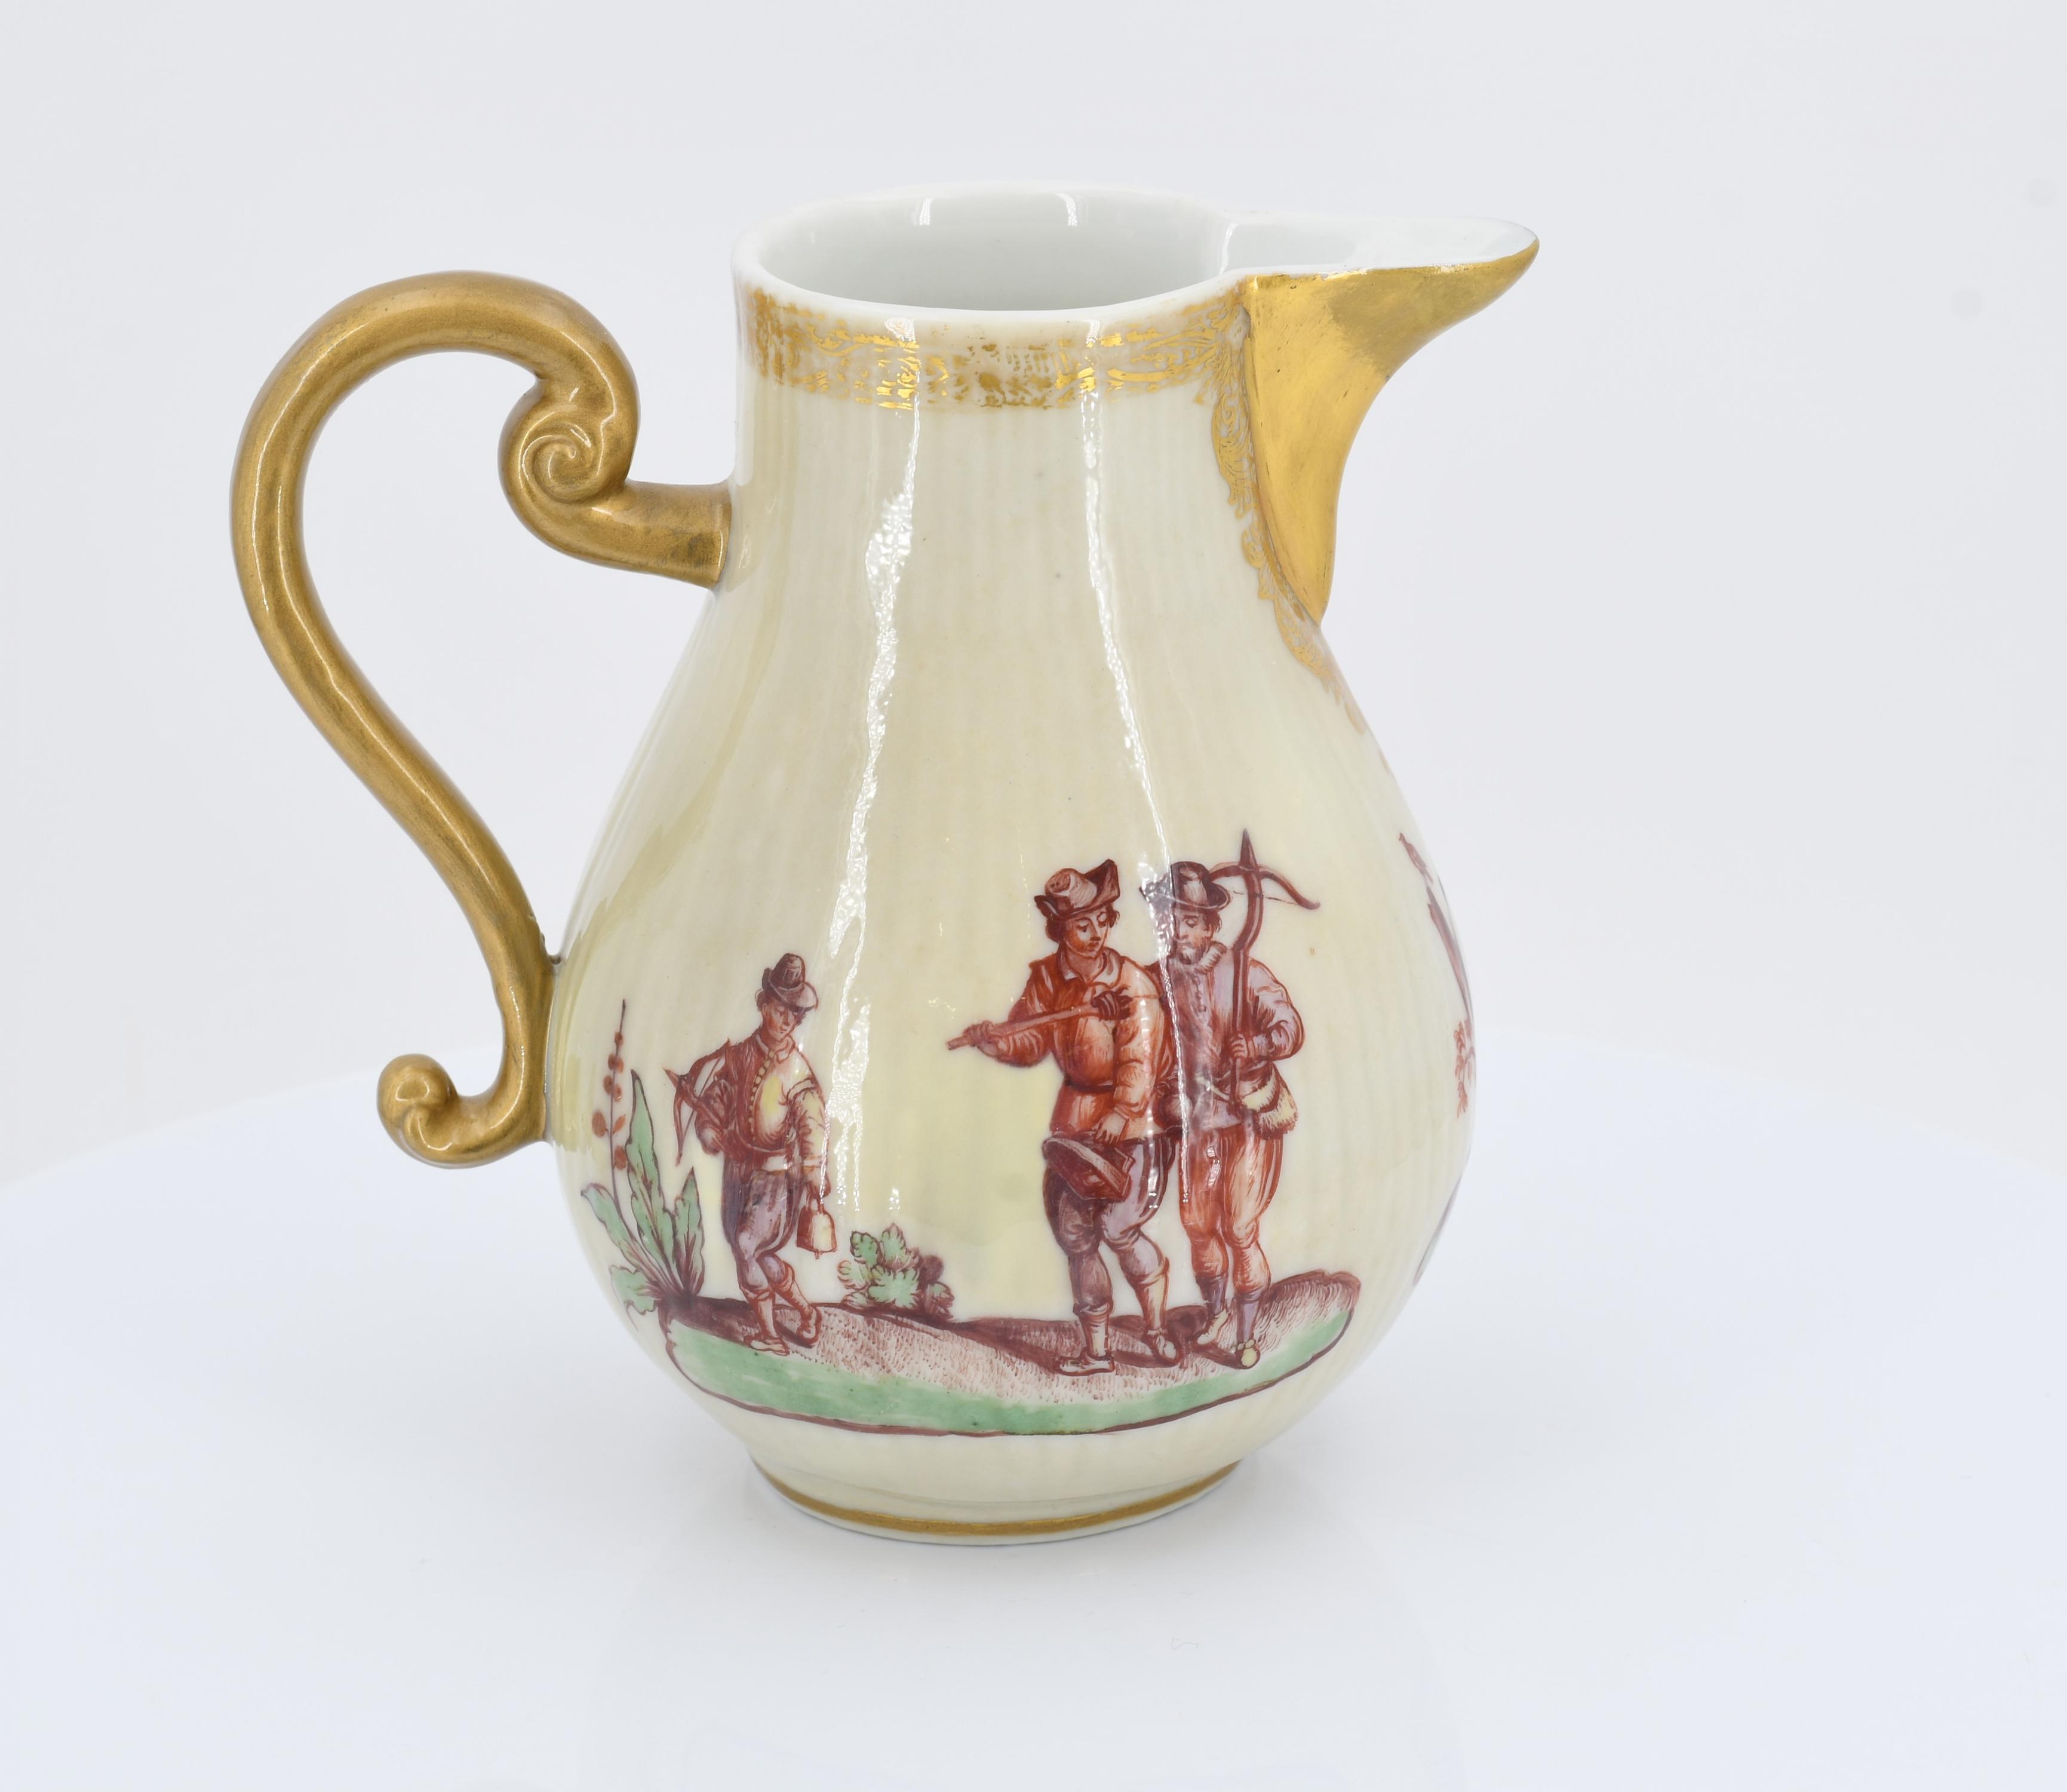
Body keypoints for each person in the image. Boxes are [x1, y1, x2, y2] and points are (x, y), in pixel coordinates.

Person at [951, 861, 1180, 1373]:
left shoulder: (1131, 984)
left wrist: (1122, 1111)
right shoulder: (1046, 979)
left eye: (1102, 920)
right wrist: (995, 1042)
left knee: (1119, 1228)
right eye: (1082, 924)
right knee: (1077, 1237)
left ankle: (1156, 1329)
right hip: (1075, 1123)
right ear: (1060, 929)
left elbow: (1141, 1057)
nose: (1095, 933)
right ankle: (1096, 1351)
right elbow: (1029, 1039)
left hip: (1134, 1127)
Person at [1144, 862, 1306, 1369]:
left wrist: (1256, 1044)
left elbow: (1289, 1027)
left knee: (1239, 1227)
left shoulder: (1245, 973)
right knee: (1197, 1225)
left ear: (1211, 926)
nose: (1180, 932)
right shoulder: (1155, 979)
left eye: (1191, 922)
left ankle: (1245, 1333)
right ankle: (1215, 1314)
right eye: (1171, 921)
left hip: (1247, 1119)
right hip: (1197, 1122)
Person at [669, 953, 829, 1356]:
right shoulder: (740, 1054)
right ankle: (807, 1312)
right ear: (763, 1006)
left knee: (746, 1245)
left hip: (776, 1178)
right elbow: (720, 1095)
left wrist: (814, 1172)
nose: (786, 1020)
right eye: (779, 1010)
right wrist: (710, 1130)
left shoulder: (797, 1071)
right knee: (755, 1252)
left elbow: (812, 1124)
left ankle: (771, 1336)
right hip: (738, 1172)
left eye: (793, 1014)